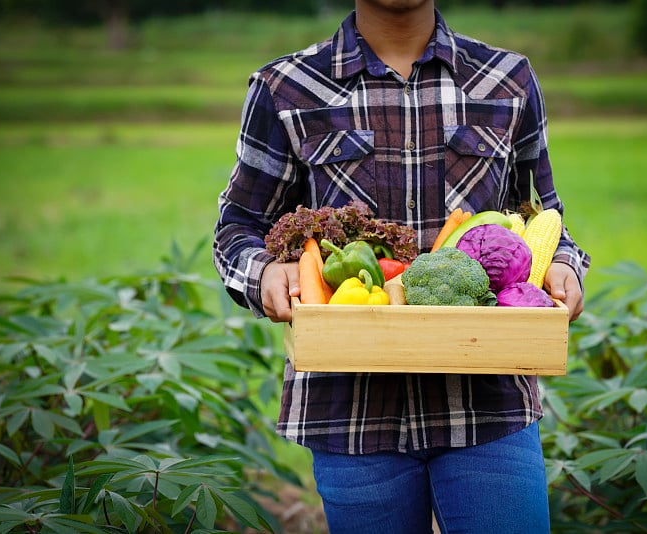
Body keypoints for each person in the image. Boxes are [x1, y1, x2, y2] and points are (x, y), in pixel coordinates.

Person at [213, 1, 590, 532]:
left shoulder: (507, 81)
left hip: (488, 405)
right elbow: (238, 224)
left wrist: (565, 267)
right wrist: (263, 273)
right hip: (351, 413)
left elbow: (545, 218)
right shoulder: (288, 87)